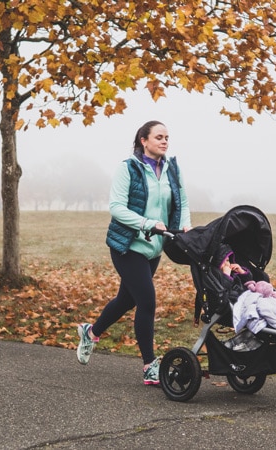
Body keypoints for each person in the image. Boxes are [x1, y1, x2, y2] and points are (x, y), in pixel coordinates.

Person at [76, 120, 191, 385]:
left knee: (127, 300)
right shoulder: (128, 168)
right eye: (159, 137)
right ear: (144, 140)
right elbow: (116, 207)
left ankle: (91, 332)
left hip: (154, 248)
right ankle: (150, 366)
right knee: (147, 301)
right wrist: (146, 224)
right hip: (128, 245)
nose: (164, 141)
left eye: (167, 137)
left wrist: (185, 224)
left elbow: (182, 201)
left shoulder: (172, 168)